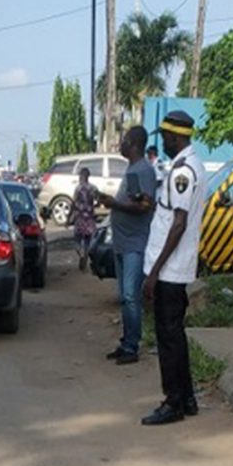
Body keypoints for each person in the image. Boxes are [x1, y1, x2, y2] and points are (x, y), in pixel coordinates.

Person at [140, 111, 207, 425]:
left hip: (169, 270)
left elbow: (178, 224)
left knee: (168, 338)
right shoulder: (188, 167)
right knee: (174, 335)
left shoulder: (184, 173)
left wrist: (154, 272)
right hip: (172, 268)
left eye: (166, 137)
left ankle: (173, 402)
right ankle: (187, 397)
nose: (163, 142)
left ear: (175, 137)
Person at [98, 126, 157, 365]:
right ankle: (126, 342)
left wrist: (115, 205)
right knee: (124, 295)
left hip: (135, 243)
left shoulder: (144, 170)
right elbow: (135, 198)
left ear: (133, 143)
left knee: (132, 295)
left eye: (123, 141)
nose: (120, 145)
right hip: (123, 243)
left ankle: (132, 346)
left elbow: (145, 206)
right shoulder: (133, 169)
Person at [68, 167, 98, 271]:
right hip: (89, 217)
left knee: (77, 239)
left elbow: (73, 203)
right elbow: (98, 200)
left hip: (79, 217)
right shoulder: (93, 188)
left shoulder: (78, 188)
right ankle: (85, 254)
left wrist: (69, 217)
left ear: (81, 176)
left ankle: (80, 253)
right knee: (88, 240)